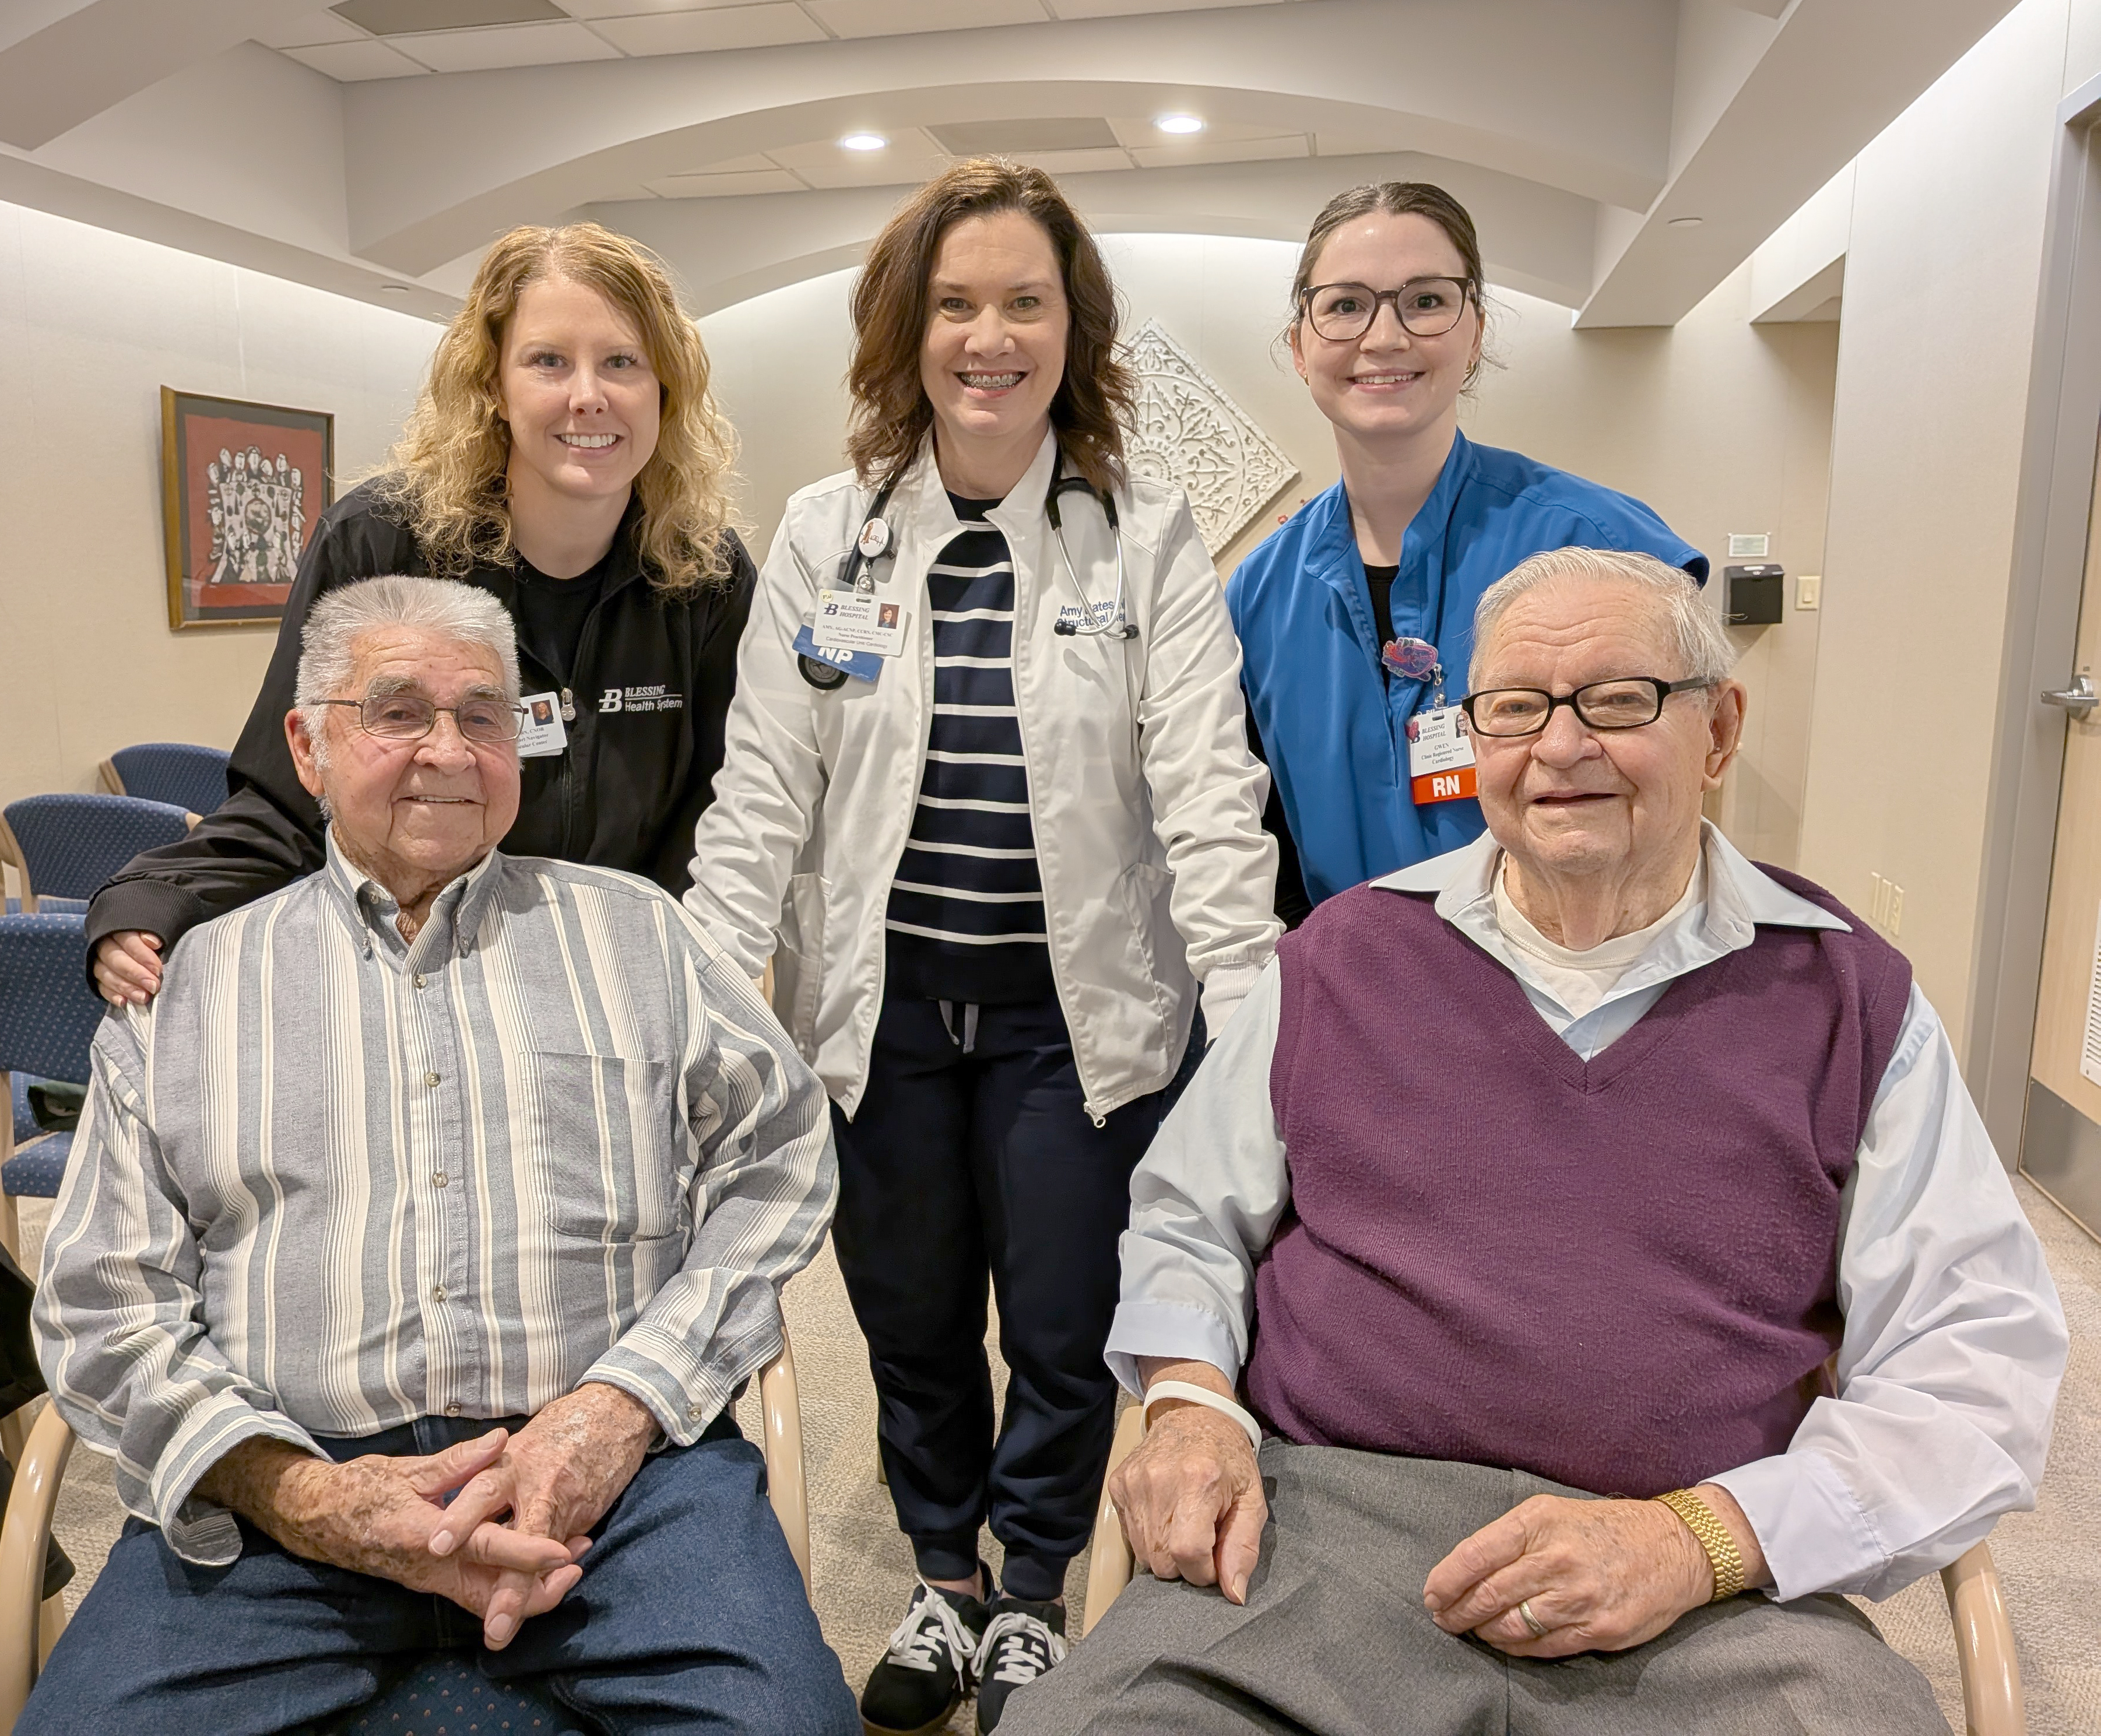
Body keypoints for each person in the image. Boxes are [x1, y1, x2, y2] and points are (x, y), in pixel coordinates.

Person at [1003, 549, 2068, 1736]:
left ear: (1717, 730)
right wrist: (1191, 1405)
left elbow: (1971, 1359)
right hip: (1317, 1551)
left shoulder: (1847, 998)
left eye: (1617, 700)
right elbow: (1185, 1218)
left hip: (1708, 1590)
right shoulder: (1339, 963)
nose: (1558, 748)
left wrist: (1698, 1539)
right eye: (1512, 708)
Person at [27, 576, 857, 1735]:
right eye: (399, 711)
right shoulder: (191, 990)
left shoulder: (639, 936)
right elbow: (102, 1304)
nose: (449, 751)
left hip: (616, 1495)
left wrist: (624, 1402)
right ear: (307, 746)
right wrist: (303, 1493)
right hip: (281, 1506)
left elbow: (781, 1156)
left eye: (483, 716)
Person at [684, 159, 1279, 1734]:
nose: (989, 336)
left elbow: (1205, 789)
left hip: (1068, 1025)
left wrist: (1255, 1018)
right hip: (879, 1020)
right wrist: (689, 999)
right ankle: (943, 1580)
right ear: (909, 329)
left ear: (1071, 331)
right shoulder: (827, 534)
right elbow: (760, 794)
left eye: (1025, 302)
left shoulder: (1141, 538)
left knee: (1072, 1327)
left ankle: (1031, 1593)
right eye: (956, 304)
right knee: (910, 1316)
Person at [87, 222, 754, 1004]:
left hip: (614, 985)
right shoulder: (379, 542)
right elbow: (290, 792)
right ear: (494, 389)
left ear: (664, 389)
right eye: (547, 361)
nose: (587, 395)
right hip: (408, 978)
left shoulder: (704, 572)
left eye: (622, 362)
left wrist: (677, 979)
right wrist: (151, 901)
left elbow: (720, 810)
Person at [1231, 182, 1705, 923]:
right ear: (1299, 343)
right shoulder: (1261, 592)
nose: (1384, 337)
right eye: (1345, 304)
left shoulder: (1603, 547)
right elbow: (1265, 832)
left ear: (1475, 329)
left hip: (1576, 988)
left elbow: (1677, 801)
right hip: (1355, 988)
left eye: (1425, 300)